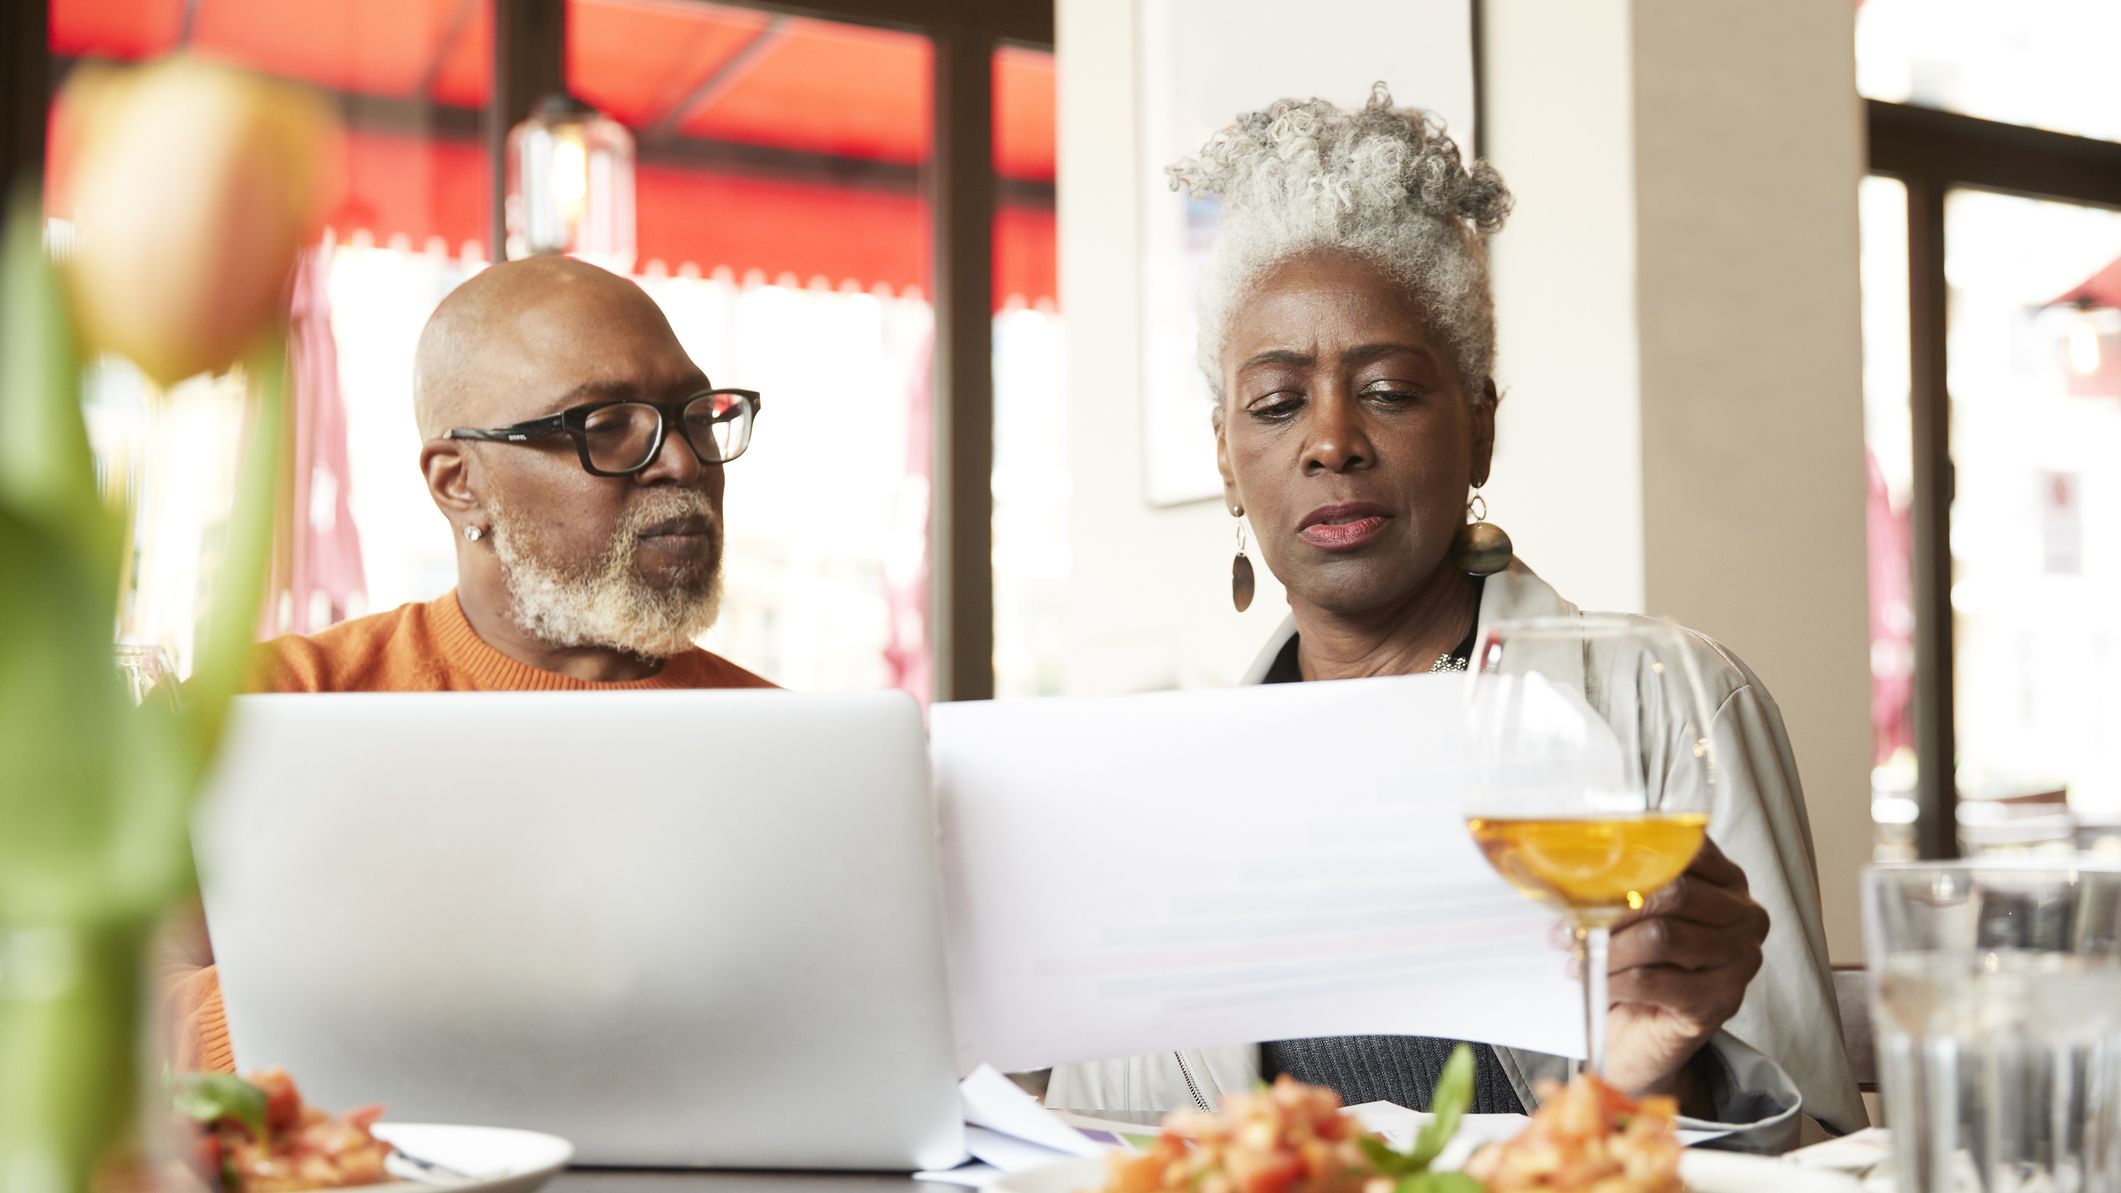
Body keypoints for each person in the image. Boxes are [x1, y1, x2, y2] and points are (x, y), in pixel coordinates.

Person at [1041, 84, 1863, 1150]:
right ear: (1225, 459)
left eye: (1388, 390)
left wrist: (1671, 1068)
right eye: (1278, 402)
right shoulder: (1158, 795)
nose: (1331, 441)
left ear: (1478, 426)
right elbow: (1090, 1153)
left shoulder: (1672, 704)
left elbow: (1821, 1154)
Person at [165, 256, 774, 1071]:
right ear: (459, 486)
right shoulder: (275, 702)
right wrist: (400, 995)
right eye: (606, 426)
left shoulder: (783, 745)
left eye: (695, 414)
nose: (682, 462)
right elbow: (105, 1006)